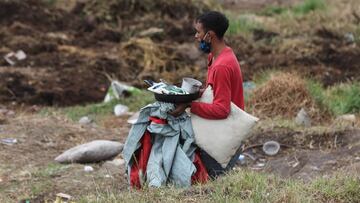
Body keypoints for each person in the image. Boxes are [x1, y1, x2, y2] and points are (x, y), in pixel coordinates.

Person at [169, 11, 245, 178]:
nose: (196, 36)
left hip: (224, 137)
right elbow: (216, 91)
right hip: (223, 130)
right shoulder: (217, 56)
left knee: (211, 185)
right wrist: (193, 94)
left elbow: (222, 110)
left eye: (199, 32)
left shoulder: (222, 66)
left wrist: (189, 105)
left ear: (209, 35)